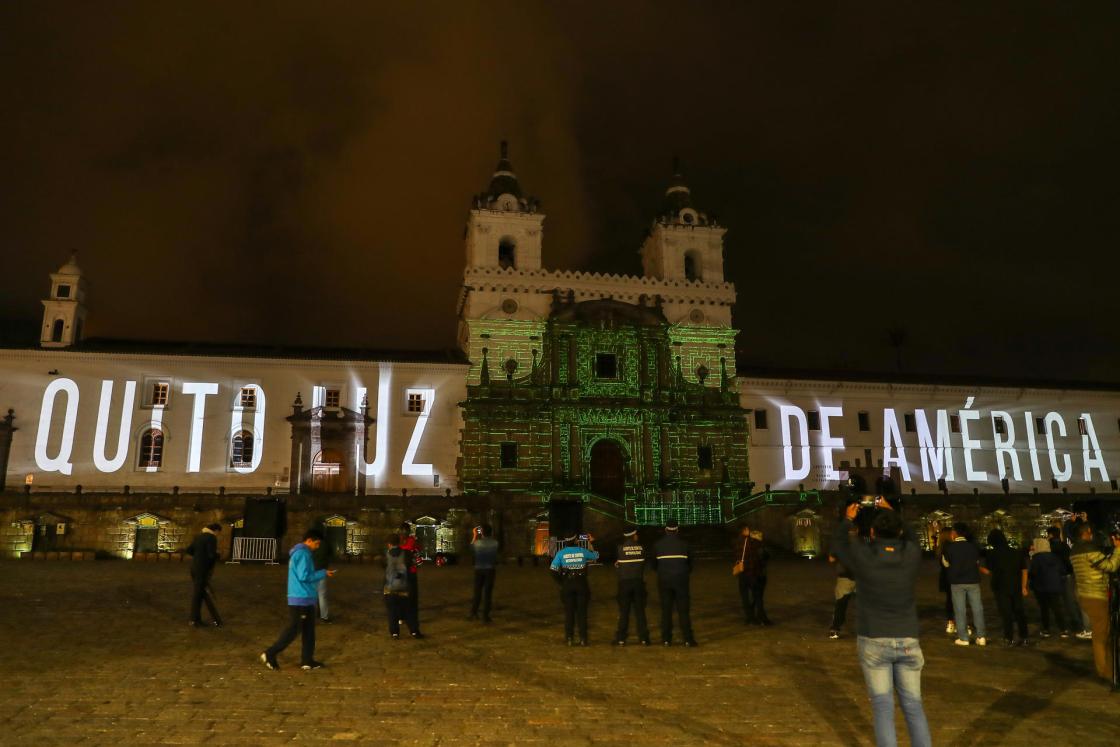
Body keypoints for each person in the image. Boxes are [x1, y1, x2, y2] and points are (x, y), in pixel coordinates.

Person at [831, 498, 931, 747]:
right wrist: (892, 512)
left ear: (873, 532)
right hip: (907, 637)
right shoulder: (911, 554)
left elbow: (839, 544)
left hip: (874, 636)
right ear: (899, 531)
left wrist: (848, 519)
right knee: (914, 706)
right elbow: (914, 537)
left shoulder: (864, 556)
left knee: (883, 707)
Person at [260, 528, 336, 671]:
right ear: (309, 540)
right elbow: (304, 576)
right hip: (301, 598)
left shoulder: (302, 553)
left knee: (309, 631)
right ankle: (270, 653)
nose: (317, 547)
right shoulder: (303, 554)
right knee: (294, 629)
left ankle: (307, 660)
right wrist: (322, 573)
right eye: (317, 543)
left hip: (304, 597)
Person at [1069, 523, 1120, 682]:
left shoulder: (1075, 550)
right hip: (1095, 596)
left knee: (1102, 633)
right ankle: (1105, 671)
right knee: (1101, 635)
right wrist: (1118, 549)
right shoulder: (1089, 549)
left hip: (1085, 595)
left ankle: (1109, 668)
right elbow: (1111, 566)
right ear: (1087, 532)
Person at [653, 519, 697, 647]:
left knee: (666, 610)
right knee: (683, 611)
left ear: (665, 530)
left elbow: (654, 565)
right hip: (681, 579)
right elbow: (690, 564)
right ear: (677, 530)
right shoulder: (685, 544)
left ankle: (666, 639)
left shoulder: (658, 545)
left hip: (664, 580)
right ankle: (688, 639)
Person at [981, 529, 1029, 646]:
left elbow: (988, 571)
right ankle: (1024, 637)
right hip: (1016, 586)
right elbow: (1024, 570)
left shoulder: (992, 554)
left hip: (1000, 587)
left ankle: (1009, 638)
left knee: (1006, 613)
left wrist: (977, 567)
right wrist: (1023, 586)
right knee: (1019, 611)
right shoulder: (1016, 552)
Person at [550, 533, 599, 645]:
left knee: (569, 613)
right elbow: (596, 556)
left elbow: (553, 570)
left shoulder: (561, 553)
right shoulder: (582, 551)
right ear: (576, 540)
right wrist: (592, 543)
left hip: (568, 584)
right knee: (582, 613)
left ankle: (569, 639)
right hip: (581, 583)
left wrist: (561, 582)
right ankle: (583, 639)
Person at [944, 522, 987, 646]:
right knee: (977, 608)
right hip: (973, 580)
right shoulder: (973, 546)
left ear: (954, 533)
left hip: (957, 582)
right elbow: (977, 562)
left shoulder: (950, 547)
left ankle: (964, 638)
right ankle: (981, 636)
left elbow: (946, 563)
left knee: (960, 609)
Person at [1047, 526, 1087, 638]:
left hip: (1061, 576)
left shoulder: (1052, 547)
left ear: (1051, 535)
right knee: (1071, 601)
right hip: (1069, 575)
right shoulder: (1064, 545)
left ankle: (1077, 625)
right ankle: (1078, 624)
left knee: (1067, 602)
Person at [613, 526, 650, 646]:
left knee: (624, 612)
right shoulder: (642, 548)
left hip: (624, 583)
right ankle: (644, 638)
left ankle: (621, 638)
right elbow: (643, 564)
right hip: (638, 582)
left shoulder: (620, 548)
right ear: (634, 535)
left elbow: (618, 565)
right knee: (640, 611)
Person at [1028, 537, 1070, 638]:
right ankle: (1063, 629)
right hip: (1055, 586)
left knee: (1044, 609)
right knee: (1057, 608)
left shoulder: (1036, 558)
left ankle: (1046, 630)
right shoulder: (1055, 557)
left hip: (1041, 587)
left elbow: (1033, 573)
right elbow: (1062, 570)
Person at [384, 534, 422, 638]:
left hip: (390, 587)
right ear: (399, 542)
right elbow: (415, 563)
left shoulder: (386, 555)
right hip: (404, 586)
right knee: (409, 609)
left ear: (389, 544)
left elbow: (384, 567)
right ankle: (414, 630)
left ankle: (394, 632)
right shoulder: (407, 554)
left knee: (392, 610)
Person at [186, 522, 222, 627]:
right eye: (218, 532)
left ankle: (197, 618)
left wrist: (199, 555)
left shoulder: (199, 536)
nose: (218, 535)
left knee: (201, 593)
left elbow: (189, 550)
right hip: (203, 569)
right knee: (198, 594)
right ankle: (194, 619)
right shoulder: (211, 538)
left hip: (194, 568)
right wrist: (218, 555)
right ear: (216, 530)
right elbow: (211, 555)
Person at [828, 514, 858, 639]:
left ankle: (835, 629)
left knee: (841, 605)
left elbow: (831, 559)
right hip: (860, 577)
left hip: (845, 576)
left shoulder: (840, 544)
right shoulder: (863, 542)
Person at [468, 524, 499, 622]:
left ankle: (474, 612)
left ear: (482, 532)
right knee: (487, 593)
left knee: (477, 592)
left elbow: (471, 548)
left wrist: (474, 535)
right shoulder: (495, 543)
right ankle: (485, 615)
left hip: (479, 569)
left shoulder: (478, 543)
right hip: (490, 569)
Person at [398, 523, 424, 631]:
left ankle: (404, 616)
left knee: (405, 595)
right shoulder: (410, 541)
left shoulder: (409, 541)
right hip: (406, 571)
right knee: (406, 596)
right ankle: (406, 616)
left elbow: (418, 554)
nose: (404, 533)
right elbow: (418, 557)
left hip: (405, 571)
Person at [312, 524, 334, 624]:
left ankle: (313, 613)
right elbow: (331, 554)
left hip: (312, 570)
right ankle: (324, 615)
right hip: (321, 570)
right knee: (322, 594)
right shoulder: (325, 543)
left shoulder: (311, 543)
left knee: (313, 593)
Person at [936, 527, 956, 635]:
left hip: (945, 576)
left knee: (949, 599)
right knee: (956, 600)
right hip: (952, 576)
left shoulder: (941, 547)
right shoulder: (950, 547)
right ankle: (954, 622)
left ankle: (950, 622)